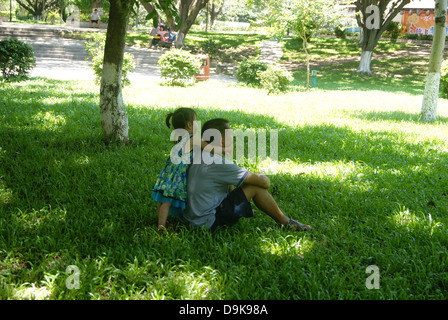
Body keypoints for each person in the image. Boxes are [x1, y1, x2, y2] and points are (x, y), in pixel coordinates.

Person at [180, 118, 312, 232]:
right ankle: (286, 222)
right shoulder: (218, 162)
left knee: (247, 181)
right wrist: (257, 177)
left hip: (189, 218)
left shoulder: (198, 154)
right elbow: (265, 183)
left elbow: (226, 182)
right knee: (256, 187)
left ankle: (245, 208)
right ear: (222, 141)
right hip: (207, 223)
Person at [151, 109, 229, 232]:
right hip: (177, 174)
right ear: (189, 125)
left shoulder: (179, 138)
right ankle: (161, 226)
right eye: (196, 121)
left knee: (163, 198)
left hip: (168, 172)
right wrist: (223, 151)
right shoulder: (193, 139)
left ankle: (161, 221)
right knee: (167, 200)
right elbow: (209, 148)